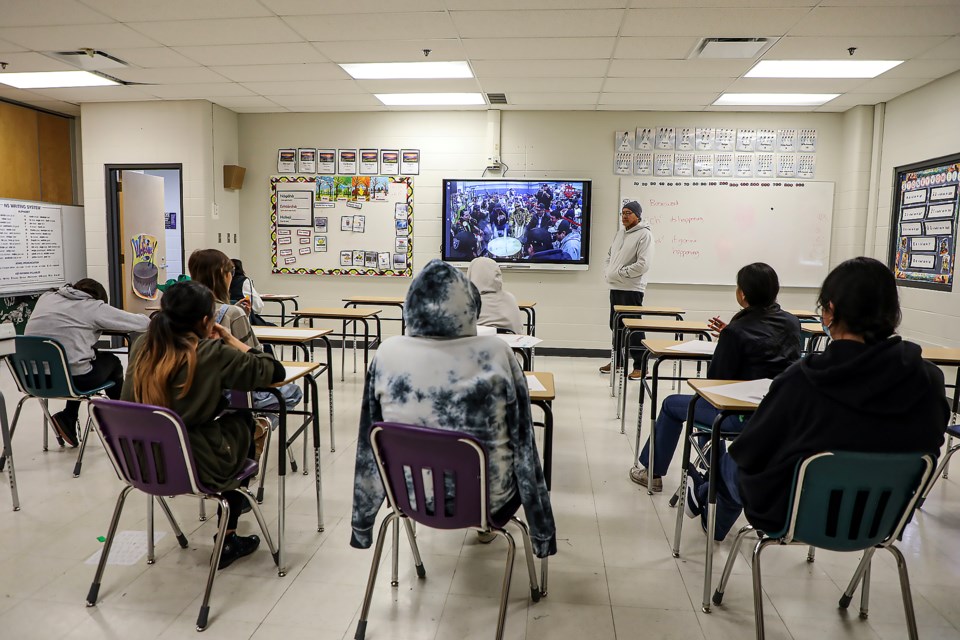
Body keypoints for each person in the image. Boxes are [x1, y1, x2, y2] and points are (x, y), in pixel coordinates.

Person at [685, 257, 949, 541]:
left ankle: (702, 492)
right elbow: (930, 446)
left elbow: (752, 451)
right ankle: (704, 499)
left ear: (830, 311)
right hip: (883, 518)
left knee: (734, 461)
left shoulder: (802, 380)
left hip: (794, 514)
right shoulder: (930, 380)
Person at [350, 259, 556, 557]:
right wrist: (542, 532)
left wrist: (362, 525)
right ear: (471, 305)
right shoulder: (498, 354)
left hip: (408, 497)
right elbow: (525, 449)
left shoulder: (386, 354)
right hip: (487, 501)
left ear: (411, 305)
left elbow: (367, 452)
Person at [122, 280, 285, 569]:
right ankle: (228, 536)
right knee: (243, 423)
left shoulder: (142, 346)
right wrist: (231, 339)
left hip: (139, 463)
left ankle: (230, 526)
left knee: (214, 426)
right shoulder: (210, 353)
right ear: (206, 320)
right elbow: (273, 372)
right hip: (191, 465)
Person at [629, 263, 801, 493]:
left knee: (674, 404)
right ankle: (712, 473)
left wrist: (728, 340)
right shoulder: (791, 322)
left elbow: (714, 383)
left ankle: (658, 472)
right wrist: (732, 335)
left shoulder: (737, 331)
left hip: (740, 416)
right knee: (704, 407)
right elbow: (767, 348)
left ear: (742, 294)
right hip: (781, 414)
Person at [189, 249, 302, 441]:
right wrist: (240, 321)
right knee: (292, 392)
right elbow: (255, 359)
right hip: (233, 392)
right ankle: (261, 426)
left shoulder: (180, 312)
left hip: (196, 392)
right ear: (224, 276)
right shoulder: (233, 313)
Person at [24, 278, 150, 447]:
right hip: (71, 381)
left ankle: (68, 417)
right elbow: (142, 323)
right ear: (98, 298)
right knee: (112, 362)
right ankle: (124, 422)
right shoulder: (94, 307)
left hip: (32, 379)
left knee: (82, 358)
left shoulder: (46, 297)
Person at [600, 201, 655, 380]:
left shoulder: (644, 235)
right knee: (616, 325)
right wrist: (609, 272)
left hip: (631, 288)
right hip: (615, 285)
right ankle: (617, 361)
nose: (624, 216)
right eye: (622, 213)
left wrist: (621, 273)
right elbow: (610, 256)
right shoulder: (620, 234)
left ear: (637, 216)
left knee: (634, 328)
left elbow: (643, 264)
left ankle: (641, 366)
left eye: (628, 213)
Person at [467, 257, 524, 334]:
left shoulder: (466, 302)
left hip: (477, 345)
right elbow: (519, 329)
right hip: (509, 345)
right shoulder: (510, 298)